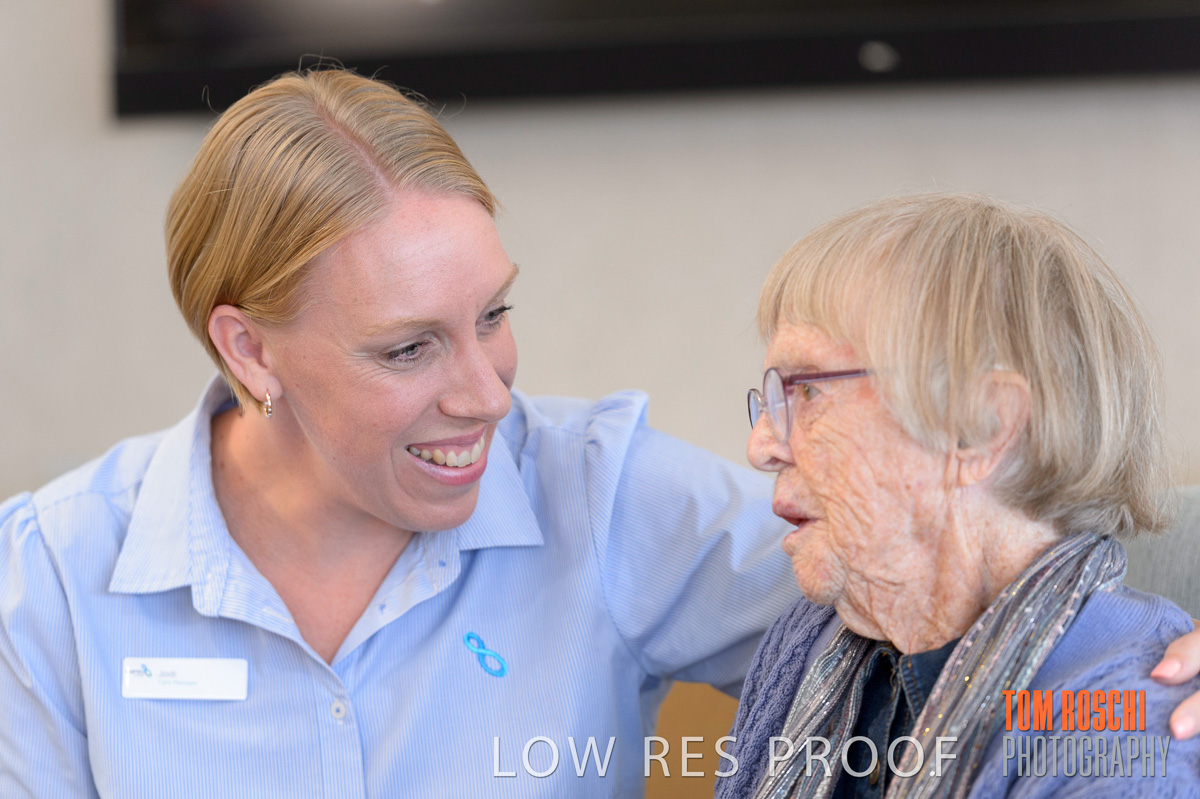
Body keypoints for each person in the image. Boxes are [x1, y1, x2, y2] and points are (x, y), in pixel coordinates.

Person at [0, 68, 798, 796]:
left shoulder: (602, 495)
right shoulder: (50, 578)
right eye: (409, 349)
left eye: (493, 315)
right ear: (250, 350)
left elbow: (872, 616)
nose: (488, 397)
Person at [717, 193, 1200, 798]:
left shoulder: (1132, 731)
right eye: (770, 400)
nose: (761, 446)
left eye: (807, 391)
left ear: (982, 426)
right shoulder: (809, 649)